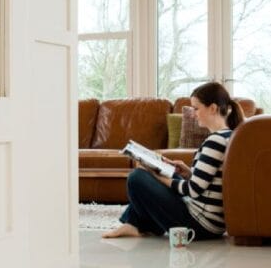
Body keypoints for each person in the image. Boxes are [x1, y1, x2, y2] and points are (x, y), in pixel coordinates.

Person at [102, 82, 245, 240]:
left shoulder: (215, 141)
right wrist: (188, 172)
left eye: (196, 108)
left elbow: (193, 190)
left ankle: (137, 225)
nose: (193, 113)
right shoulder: (228, 136)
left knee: (137, 178)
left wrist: (157, 175)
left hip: (199, 226)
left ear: (212, 108)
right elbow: (211, 183)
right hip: (212, 223)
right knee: (161, 175)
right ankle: (133, 225)